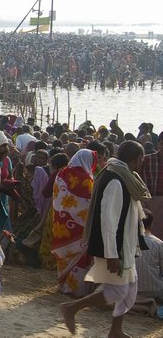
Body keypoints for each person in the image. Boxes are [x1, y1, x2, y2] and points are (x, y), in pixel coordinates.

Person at [60, 140, 151, 338]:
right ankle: (72, 308)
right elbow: (108, 221)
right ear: (138, 159)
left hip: (124, 245)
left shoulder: (122, 176)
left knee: (129, 288)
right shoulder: (116, 180)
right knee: (118, 291)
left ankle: (115, 330)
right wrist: (111, 254)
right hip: (115, 247)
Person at [50, 149, 97, 297]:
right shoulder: (85, 180)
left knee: (65, 256)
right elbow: (90, 203)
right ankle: (76, 290)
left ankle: (63, 285)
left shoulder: (61, 174)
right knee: (79, 254)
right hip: (79, 226)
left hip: (61, 222)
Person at [136, 214, 163, 300]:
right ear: (151, 224)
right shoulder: (158, 243)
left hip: (131, 290)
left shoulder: (127, 242)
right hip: (154, 291)